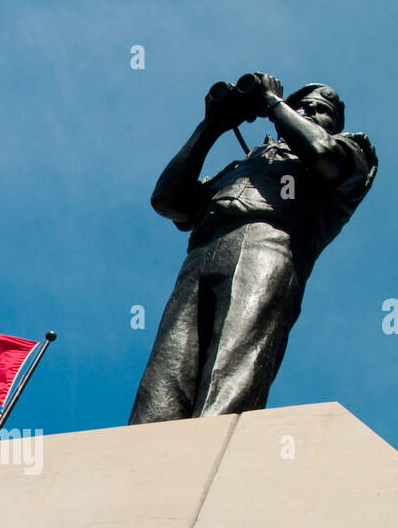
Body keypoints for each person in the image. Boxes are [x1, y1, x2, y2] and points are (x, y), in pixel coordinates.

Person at [129, 73, 377, 423]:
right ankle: (143, 460)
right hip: (202, 252)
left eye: (319, 111)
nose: (307, 112)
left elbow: (323, 153)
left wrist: (274, 103)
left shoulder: (351, 152)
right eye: (300, 106)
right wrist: (212, 126)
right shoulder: (241, 168)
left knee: (230, 370)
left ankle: (211, 457)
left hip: (267, 245)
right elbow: (167, 201)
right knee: (163, 382)